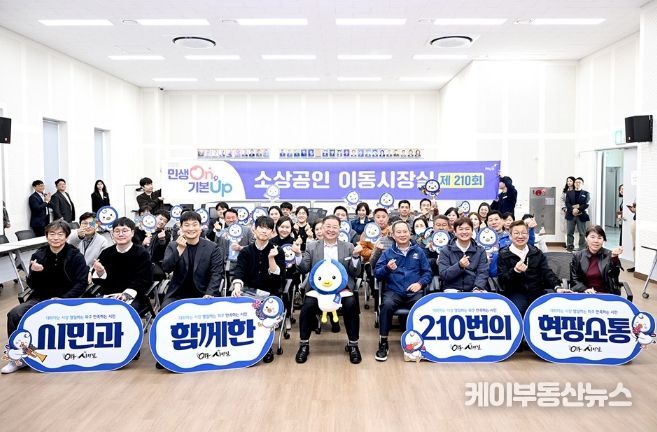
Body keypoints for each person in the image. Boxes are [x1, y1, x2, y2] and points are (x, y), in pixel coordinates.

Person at [3, 220, 88, 374]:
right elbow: (32, 285)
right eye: (52, 234)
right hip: (41, 298)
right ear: (46, 236)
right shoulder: (39, 255)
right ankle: (18, 358)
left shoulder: (76, 256)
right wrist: (35, 273)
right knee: (15, 314)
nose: (56, 238)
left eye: (60, 234)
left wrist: (64, 299)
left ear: (66, 236)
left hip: (67, 299)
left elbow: (81, 283)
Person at [294, 215, 363, 364]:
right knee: (308, 305)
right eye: (328, 226)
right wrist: (298, 255)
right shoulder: (312, 246)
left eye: (335, 227)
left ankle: (353, 345)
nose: (331, 230)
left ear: (340, 229)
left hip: (342, 289)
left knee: (351, 304)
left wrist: (355, 257)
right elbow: (304, 268)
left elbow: (355, 272)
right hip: (318, 289)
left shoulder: (348, 247)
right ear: (322, 228)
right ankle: (304, 344)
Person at [374, 220, 432, 361]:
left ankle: (421, 343)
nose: (402, 234)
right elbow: (377, 274)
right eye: (398, 232)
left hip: (414, 292)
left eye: (405, 231)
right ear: (393, 235)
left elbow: (427, 273)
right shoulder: (388, 253)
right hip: (394, 291)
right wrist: (387, 268)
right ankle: (383, 342)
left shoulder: (418, 251)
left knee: (422, 306)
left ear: (410, 233)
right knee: (386, 305)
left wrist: (420, 284)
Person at [231, 216, 286, 362]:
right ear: (254, 230)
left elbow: (279, 276)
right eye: (261, 227)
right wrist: (237, 286)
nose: (264, 231)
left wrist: (271, 259)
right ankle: (245, 343)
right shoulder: (246, 251)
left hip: (271, 293)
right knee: (239, 304)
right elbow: (239, 271)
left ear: (272, 233)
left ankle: (266, 347)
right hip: (250, 291)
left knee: (266, 310)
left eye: (268, 228)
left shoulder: (278, 251)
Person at [497, 221, 565, 315]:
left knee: (551, 309)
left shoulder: (536, 252)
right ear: (510, 236)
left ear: (528, 235)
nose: (520, 236)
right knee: (518, 309)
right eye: (516, 233)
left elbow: (547, 272)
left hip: (537, 291)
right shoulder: (503, 255)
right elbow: (502, 280)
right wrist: (515, 271)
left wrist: (557, 286)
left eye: (524, 233)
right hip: (515, 292)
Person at [160, 211, 225, 307]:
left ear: (200, 227)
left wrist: (210, 293)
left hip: (204, 294)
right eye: (186, 225)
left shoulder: (213, 248)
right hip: (177, 295)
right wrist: (179, 250)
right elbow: (166, 268)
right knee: (166, 310)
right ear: (181, 228)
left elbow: (217, 273)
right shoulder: (173, 246)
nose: (191, 228)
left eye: (195, 225)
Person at [91, 218, 153, 314]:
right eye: (117, 231)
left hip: (134, 296)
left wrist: (126, 294)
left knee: (123, 312)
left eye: (125, 231)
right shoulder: (106, 253)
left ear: (132, 233)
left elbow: (144, 279)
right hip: (108, 296)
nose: (120, 234)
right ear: (112, 234)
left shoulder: (142, 253)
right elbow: (97, 281)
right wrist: (100, 272)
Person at [438, 217, 489, 292]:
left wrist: (477, 287)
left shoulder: (480, 250)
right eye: (461, 229)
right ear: (455, 232)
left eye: (467, 229)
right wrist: (459, 266)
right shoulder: (445, 251)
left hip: (475, 289)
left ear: (472, 231)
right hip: (452, 289)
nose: (464, 232)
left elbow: (482, 273)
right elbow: (444, 275)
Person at [570, 225, 623, 294]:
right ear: (586, 238)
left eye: (599, 238)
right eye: (592, 237)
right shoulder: (578, 256)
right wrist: (585, 289)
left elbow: (614, 276)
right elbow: (574, 279)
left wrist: (614, 258)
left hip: (605, 295)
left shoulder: (610, 255)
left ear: (603, 240)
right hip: (585, 295)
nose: (596, 241)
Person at [142, 210, 172, 281]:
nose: (162, 222)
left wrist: (161, 240)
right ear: (154, 217)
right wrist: (143, 243)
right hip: (138, 261)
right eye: (160, 219)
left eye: (165, 221)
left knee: (158, 274)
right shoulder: (142, 230)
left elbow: (162, 253)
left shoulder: (166, 235)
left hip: (154, 262)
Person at [565, 177, 590, 252]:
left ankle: (582, 248)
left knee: (582, 233)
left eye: (579, 182)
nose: (577, 184)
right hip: (570, 214)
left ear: (582, 184)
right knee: (569, 232)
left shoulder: (586, 193)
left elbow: (586, 204)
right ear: (574, 183)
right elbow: (567, 203)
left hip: (581, 215)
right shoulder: (569, 193)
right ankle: (570, 247)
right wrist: (573, 210)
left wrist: (578, 209)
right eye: (576, 182)